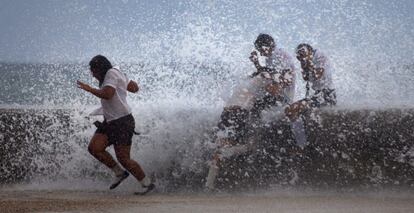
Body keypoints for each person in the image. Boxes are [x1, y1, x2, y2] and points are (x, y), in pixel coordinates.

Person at [205, 34, 296, 190]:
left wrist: (261, 72)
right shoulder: (270, 62)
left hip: (238, 109)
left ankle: (210, 184)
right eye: (259, 51)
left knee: (223, 144)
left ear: (268, 46)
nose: (261, 53)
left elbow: (276, 84)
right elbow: (270, 81)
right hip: (244, 109)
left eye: (261, 50)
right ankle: (244, 147)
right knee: (242, 141)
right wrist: (258, 67)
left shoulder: (278, 58)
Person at [77, 55, 154, 195]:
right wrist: (123, 80)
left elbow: (108, 95)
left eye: (93, 70)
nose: (92, 73)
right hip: (110, 121)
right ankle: (119, 173)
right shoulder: (115, 74)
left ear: (100, 68)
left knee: (124, 159)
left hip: (123, 122)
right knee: (94, 148)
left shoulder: (111, 73)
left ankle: (147, 184)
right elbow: (134, 88)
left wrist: (89, 89)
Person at [285, 44, 336, 147]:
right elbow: (306, 78)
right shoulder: (306, 60)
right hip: (317, 95)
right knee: (290, 111)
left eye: (302, 54)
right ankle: (302, 142)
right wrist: (304, 64)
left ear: (309, 51)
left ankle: (302, 145)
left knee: (292, 110)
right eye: (298, 57)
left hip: (327, 95)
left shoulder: (320, 56)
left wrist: (309, 62)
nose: (301, 58)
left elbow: (317, 76)